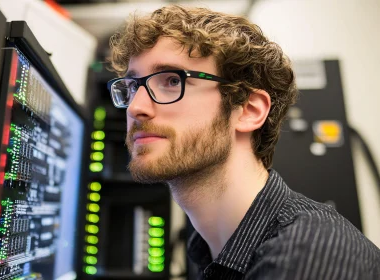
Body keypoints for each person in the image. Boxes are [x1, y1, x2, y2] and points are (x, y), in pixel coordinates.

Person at [106, 5, 380, 280]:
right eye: (131, 87)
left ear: (249, 110)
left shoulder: (309, 255)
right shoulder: (209, 249)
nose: (135, 107)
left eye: (171, 81)